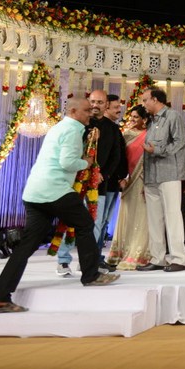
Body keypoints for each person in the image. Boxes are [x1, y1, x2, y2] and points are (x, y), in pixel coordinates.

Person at [0, 99, 119, 313]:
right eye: (86, 110)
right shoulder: (72, 130)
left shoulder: (59, 127)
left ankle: (0, 295)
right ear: (73, 111)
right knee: (86, 224)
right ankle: (91, 275)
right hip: (55, 189)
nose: (90, 114)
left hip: (35, 192)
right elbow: (68, 163)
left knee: (27, 245)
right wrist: (86, 162)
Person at [57, 90, 127, 276]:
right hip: (75, 181)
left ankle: (87, 262)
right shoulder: (79, 124)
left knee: (95, 224)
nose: (95, 105)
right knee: (71, 221)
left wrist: (103, 174)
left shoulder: (112, 129)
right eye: (93, 101)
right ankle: (63, 260)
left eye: (100, 102)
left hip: (99, 184)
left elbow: (116, 156)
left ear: (106, 105)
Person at [137, 86, 185, 272]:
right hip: (151, 175)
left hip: (169, 173)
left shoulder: (172, 116)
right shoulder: (151, 121)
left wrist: (157, 150)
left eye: (145, 100)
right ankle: (157, 258)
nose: (143, 104)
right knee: (154, 219)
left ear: (156, 99)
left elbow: (179, 143)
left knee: (172, 215)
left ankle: (179, 259)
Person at [106, 105, 151, 270]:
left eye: (136, 117)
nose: (131, 120)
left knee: (142, 217)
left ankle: (138, 254)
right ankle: (120, 253)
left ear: (144, 119)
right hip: (128, 181)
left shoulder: (150, 136)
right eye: (131, 116)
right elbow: (120, 159)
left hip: (144, 180)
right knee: (127, 214)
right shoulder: (125, 135)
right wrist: (121, 178)